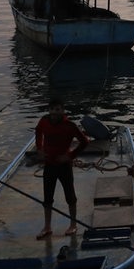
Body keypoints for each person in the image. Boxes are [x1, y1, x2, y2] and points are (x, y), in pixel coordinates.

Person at [34, 100, 89, 239]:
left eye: (57, 109)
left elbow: (84, 142)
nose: (54, 112)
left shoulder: (70, 125)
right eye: (52, 109)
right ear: (49, 110)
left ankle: (73, 224)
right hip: (49, 165)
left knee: (70, 196)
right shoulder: (44, 121)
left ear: (62, 111)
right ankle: (47, 227)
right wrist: (39, 149)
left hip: (64, 166)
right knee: (47, 197)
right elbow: (38, 132)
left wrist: (70, 155)